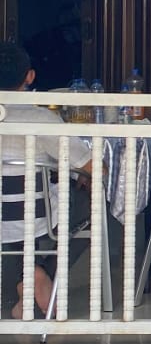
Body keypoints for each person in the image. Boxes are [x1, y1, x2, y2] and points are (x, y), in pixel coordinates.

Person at [0, 41, 94, 319]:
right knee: (92, 206)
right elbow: (93, 167)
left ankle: (28, 277)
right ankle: (40, 273)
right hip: (36, 218)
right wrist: (73, 173)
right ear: (30, 76)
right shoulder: (41, 118)